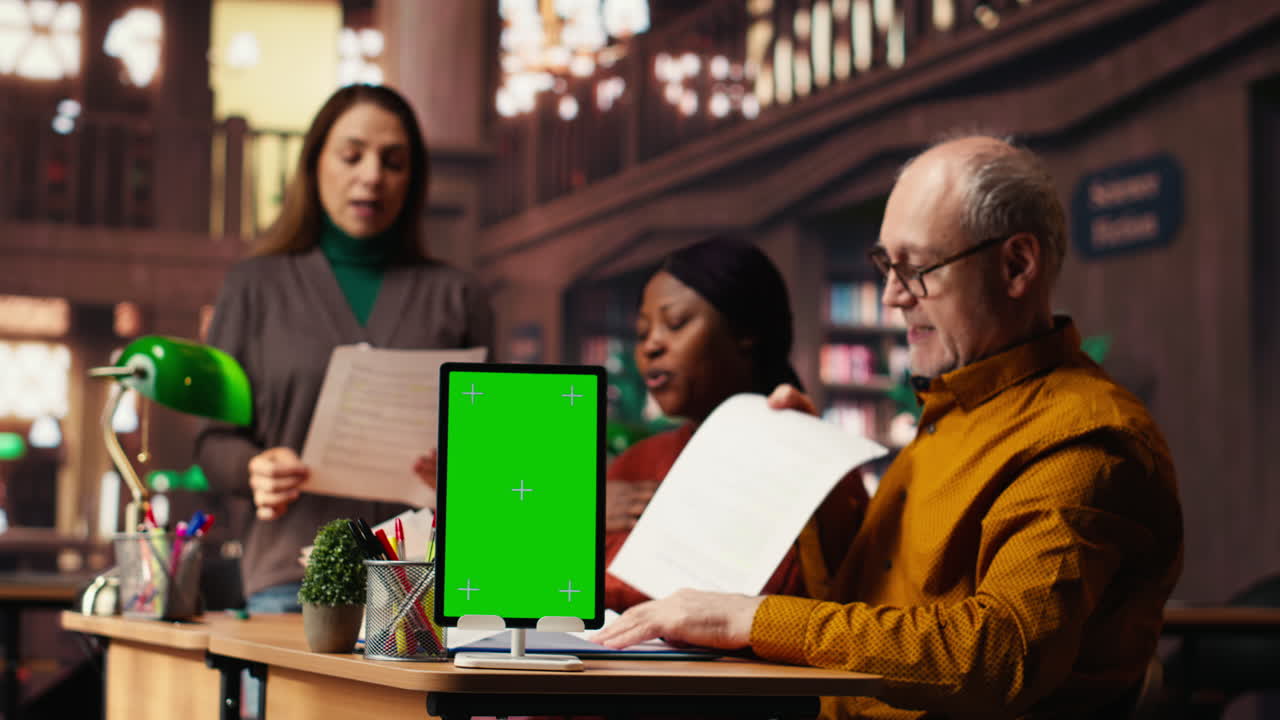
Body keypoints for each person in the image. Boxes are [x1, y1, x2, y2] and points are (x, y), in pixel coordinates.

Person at [595, 135, 1184, 719]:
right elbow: (861, 611)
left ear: (1016, 265)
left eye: (917, 268)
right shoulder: (952, 413)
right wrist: (803, 469)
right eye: (886, 265)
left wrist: (744, 615)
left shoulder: (1085, 439)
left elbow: (996, 658)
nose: (891, 296)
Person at [195, 84, 494, 613]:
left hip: (426, 583)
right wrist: (255, 468)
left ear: (413, 181)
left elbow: (494, 446)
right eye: (352, 156)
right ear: (314, 165)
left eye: (393, 162)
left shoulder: (457, 295)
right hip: (293, 580)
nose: (372, 176)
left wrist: (463, 469)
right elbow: (214, 440)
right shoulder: (254, 286)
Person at [603, 236, 867, 611]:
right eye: (643, 332)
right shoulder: (635, 465)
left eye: (675, 323)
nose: (651, 346)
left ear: (746, 330)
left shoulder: (818, 467)